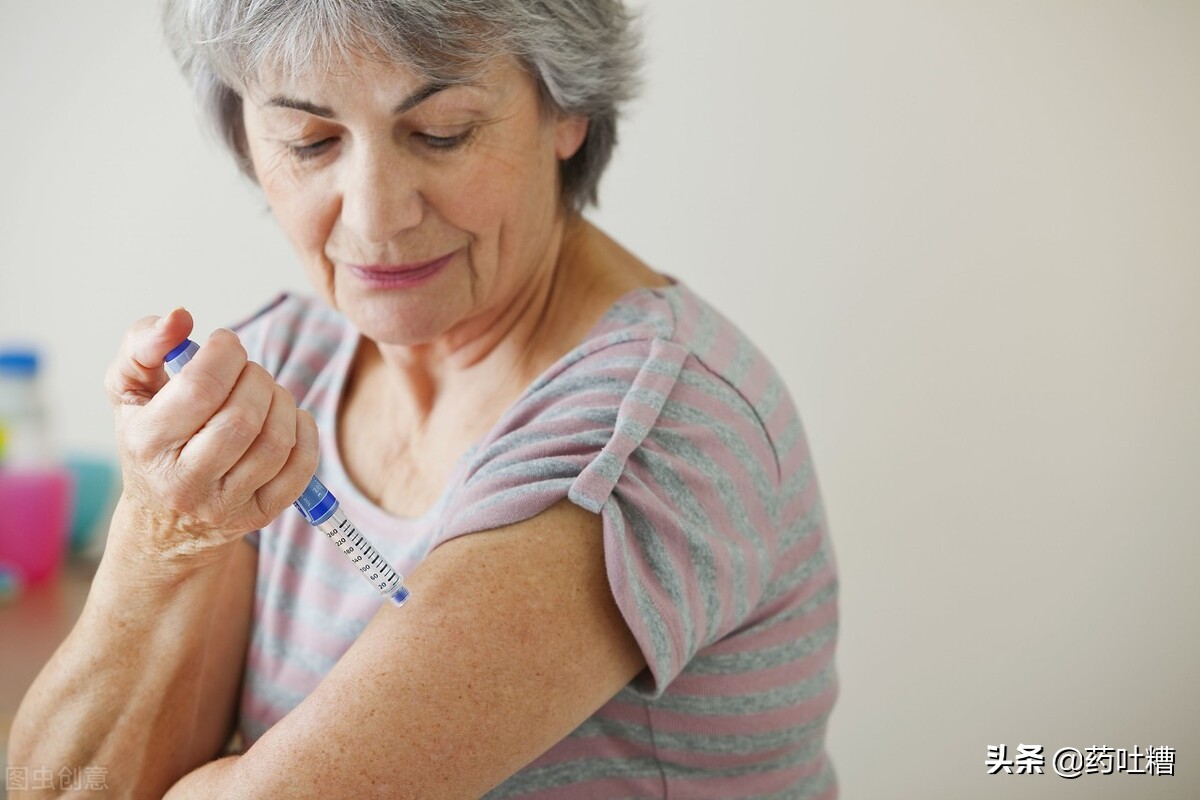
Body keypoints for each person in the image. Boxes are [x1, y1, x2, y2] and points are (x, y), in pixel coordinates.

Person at [9, 1, 839, 797]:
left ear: (567, 110)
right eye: (309, 140)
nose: (375, 217)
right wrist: (160, 534)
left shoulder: (645, 438)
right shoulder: (286, 365)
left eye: (441, 133)